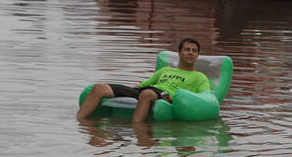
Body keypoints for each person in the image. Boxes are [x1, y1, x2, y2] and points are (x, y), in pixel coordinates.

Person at [77, 38, 212, 123]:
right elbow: (141, 86)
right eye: (187, 49)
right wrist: (126, 93)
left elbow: (206, 97)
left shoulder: (199, 77)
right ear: (179, 53)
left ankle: (137, 131)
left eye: (194, 51)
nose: (190, 53)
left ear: (197, 55)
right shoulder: (165, 70)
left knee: (146, 94)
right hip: (147, 90)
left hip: (167, 96)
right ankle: (80, 124)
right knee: (99, 88)